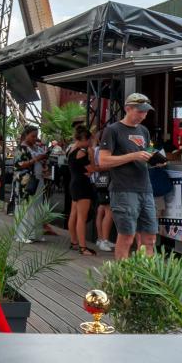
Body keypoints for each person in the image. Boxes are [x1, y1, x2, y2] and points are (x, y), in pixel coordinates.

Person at [98, 93, 157, 260]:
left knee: (150, 238)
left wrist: (154, 160)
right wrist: (134, 156)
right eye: (140, 111)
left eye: (146, 112)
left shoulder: (144, 130)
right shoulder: (112, 130)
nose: (143, 115)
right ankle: (123, 280)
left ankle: (145, 277)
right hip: (123, 189)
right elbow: (102, 161)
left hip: (145, 189)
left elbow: (144, 154)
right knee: (127, 237)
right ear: (128, 109)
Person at [67, 127, 97, 255]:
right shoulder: (82, 152)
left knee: (74, 214)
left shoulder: (71, 149)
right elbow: (92, 168)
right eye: (89, 140)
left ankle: (74, 242)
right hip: (82, 185)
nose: (90, 142)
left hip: (74, 183)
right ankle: (83, 247)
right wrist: (92, 153)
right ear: (85, 139)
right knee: (81, 217)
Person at [11, 125, 43, 243]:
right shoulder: (21, 148)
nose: (35, 138)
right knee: (23, 206)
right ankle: (21, 234)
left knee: (34, 206)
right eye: (33, 136)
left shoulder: (35, 147)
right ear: (26, 135)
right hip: (23, 181)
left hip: (35, 179)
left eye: (36, 136)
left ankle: (32, 233)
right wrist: (36, 159)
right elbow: (19, 164)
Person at [90, 129, 115, 253]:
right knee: (108, 210)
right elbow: (99, 166)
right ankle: (104, 239)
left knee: (101, 210)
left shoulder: (95, 149)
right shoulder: (100, 150)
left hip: (99, 182)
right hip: (104, 182)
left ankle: (101, 238)